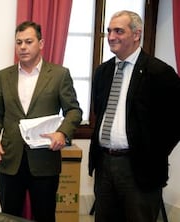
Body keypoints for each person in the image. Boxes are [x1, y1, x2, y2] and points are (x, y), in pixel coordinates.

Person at [89, 10, 180, 222]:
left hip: (139, 169)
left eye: (119, 31)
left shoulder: (159, 72)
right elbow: (98, 113)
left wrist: (153, 152)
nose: (111, 36)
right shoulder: (102, 72)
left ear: (136, 34)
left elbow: (176, 120)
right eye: (109, 31)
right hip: (105, 165)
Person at [0, 21, 82, 222]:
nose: (22, 47)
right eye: (19, 42)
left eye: (28, 41)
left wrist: (62, 133)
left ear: (41, 43)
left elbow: (73, 110)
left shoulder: (59, 75)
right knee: (8, 217)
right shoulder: (4, 76)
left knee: (45, 215)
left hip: (44, 159)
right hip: (10, 159)